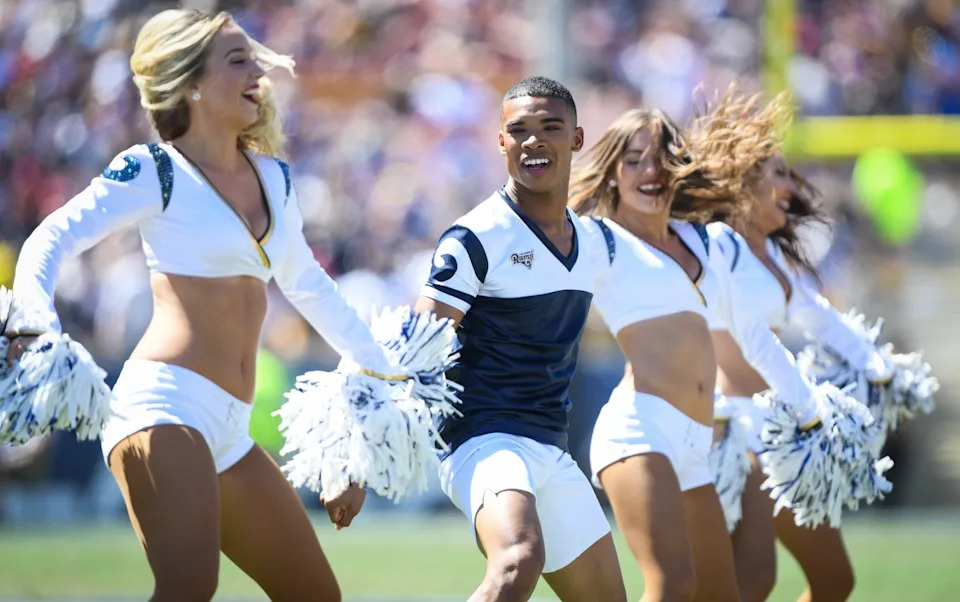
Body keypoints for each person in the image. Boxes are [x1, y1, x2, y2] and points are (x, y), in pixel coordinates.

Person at [6, 9, 402, 601]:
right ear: (190, 82)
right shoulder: (154, 171)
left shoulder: (277, 180)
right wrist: (36, 325)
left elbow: (314, 291)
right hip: (161, 406)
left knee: (317, 595)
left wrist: (382, 392)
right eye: (237, 61)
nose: (257, 74)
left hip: (230, 429)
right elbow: (51, 237)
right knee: (188, 586)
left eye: (255, 60)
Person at [568, 94, 835, 602]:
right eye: (634, 160)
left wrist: (809, 410)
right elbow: (534, 254)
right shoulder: (599, 241)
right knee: (671, 586)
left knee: (720, 596)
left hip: (698, 440)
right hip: (637, 431)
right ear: (612, 176)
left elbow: (752, 335)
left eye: (662, 158)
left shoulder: (705, 240)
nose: (651, 171)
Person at [415, 76, 627, 602]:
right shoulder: (476, 236)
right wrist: (355, 463)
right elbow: (412, 348)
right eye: (519, 130)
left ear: (576, 140)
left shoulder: (594, 241)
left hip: (551, 448)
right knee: (516, 559)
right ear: (501, 142)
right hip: (483, 439)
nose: (534, 141)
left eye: (550, 128)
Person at [708, 154, 892, 602]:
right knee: (751, 581)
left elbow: (818, 316)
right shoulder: (715, 244)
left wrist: (875, 363)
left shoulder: (771, 251)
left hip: (782, 431)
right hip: (730, 430)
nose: (792, 186)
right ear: (743, 183)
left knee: (833, 580)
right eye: (778, 175)